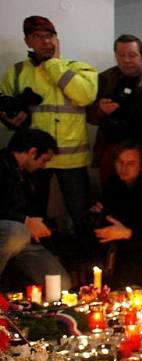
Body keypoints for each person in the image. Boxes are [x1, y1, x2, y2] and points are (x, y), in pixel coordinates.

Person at [0, 15, 97, 229]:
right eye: (38, 36)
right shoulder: (15, 72)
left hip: (72, 160)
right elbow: (3, 113)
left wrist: (53, 64)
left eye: (50, 35)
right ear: (27, 41)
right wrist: (10, 120)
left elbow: (86, 96)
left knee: (81, 214)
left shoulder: (79, 68)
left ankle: (86, 258)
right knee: (33, 213)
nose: (45, 41)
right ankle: (39, 257)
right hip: (34, 159)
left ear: (57, 38)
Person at [0, 129, 70, 289]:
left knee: (59, 284)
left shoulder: (29, 177)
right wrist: (24, 221)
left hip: (25, 239)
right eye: (44, 160)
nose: (44, 166)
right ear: (32, 152)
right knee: (17, 232)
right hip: (10, 233)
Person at [86, 142, 142, 288]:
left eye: (130, 163)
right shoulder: (113, 183)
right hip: (117, 248)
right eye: (120, 162)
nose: (123, 168)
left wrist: (127, 233)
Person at [87, 34, 142, 184]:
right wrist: (100, 110)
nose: (126, 60)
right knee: (111, 194)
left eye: (132, 55)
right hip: (112, 148)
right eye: (121, 55)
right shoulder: (104, 79)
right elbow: (89, 116)